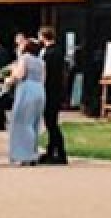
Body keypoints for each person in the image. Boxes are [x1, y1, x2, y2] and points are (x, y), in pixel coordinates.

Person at [7, 39, 47, 166]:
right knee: (34, 122)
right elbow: (43, 78)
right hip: (39, 90)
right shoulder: (41, 61)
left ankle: (24, 154)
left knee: (22, 122)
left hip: (27, 89)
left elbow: (20, 74)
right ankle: (33, 152)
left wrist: (10, 78)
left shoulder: (25, 58)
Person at [38, 26, 71, 165]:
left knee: (51, 123)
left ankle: (60, 153)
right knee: (51, 123)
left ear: (43, 36)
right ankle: (52, 150)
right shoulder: (57, 52)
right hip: (56, 91)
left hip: (50, 92)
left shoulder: (49, 54)